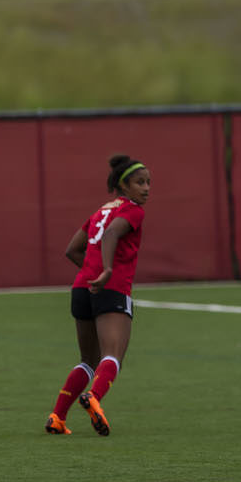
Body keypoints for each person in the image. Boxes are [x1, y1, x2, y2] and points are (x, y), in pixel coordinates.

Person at [45, 153, 151, 437]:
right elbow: (111, 235)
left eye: (148, 183)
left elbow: (72, 250)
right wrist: (106, 271)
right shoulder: (132, 211)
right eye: (140, 182)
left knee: (87, 360)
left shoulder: (99, 212)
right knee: (113, 355)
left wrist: (91, 273)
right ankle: (93, 398)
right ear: (123, 185)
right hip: (110, 287)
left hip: (82, 288)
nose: (146, 188)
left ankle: (57, 416)